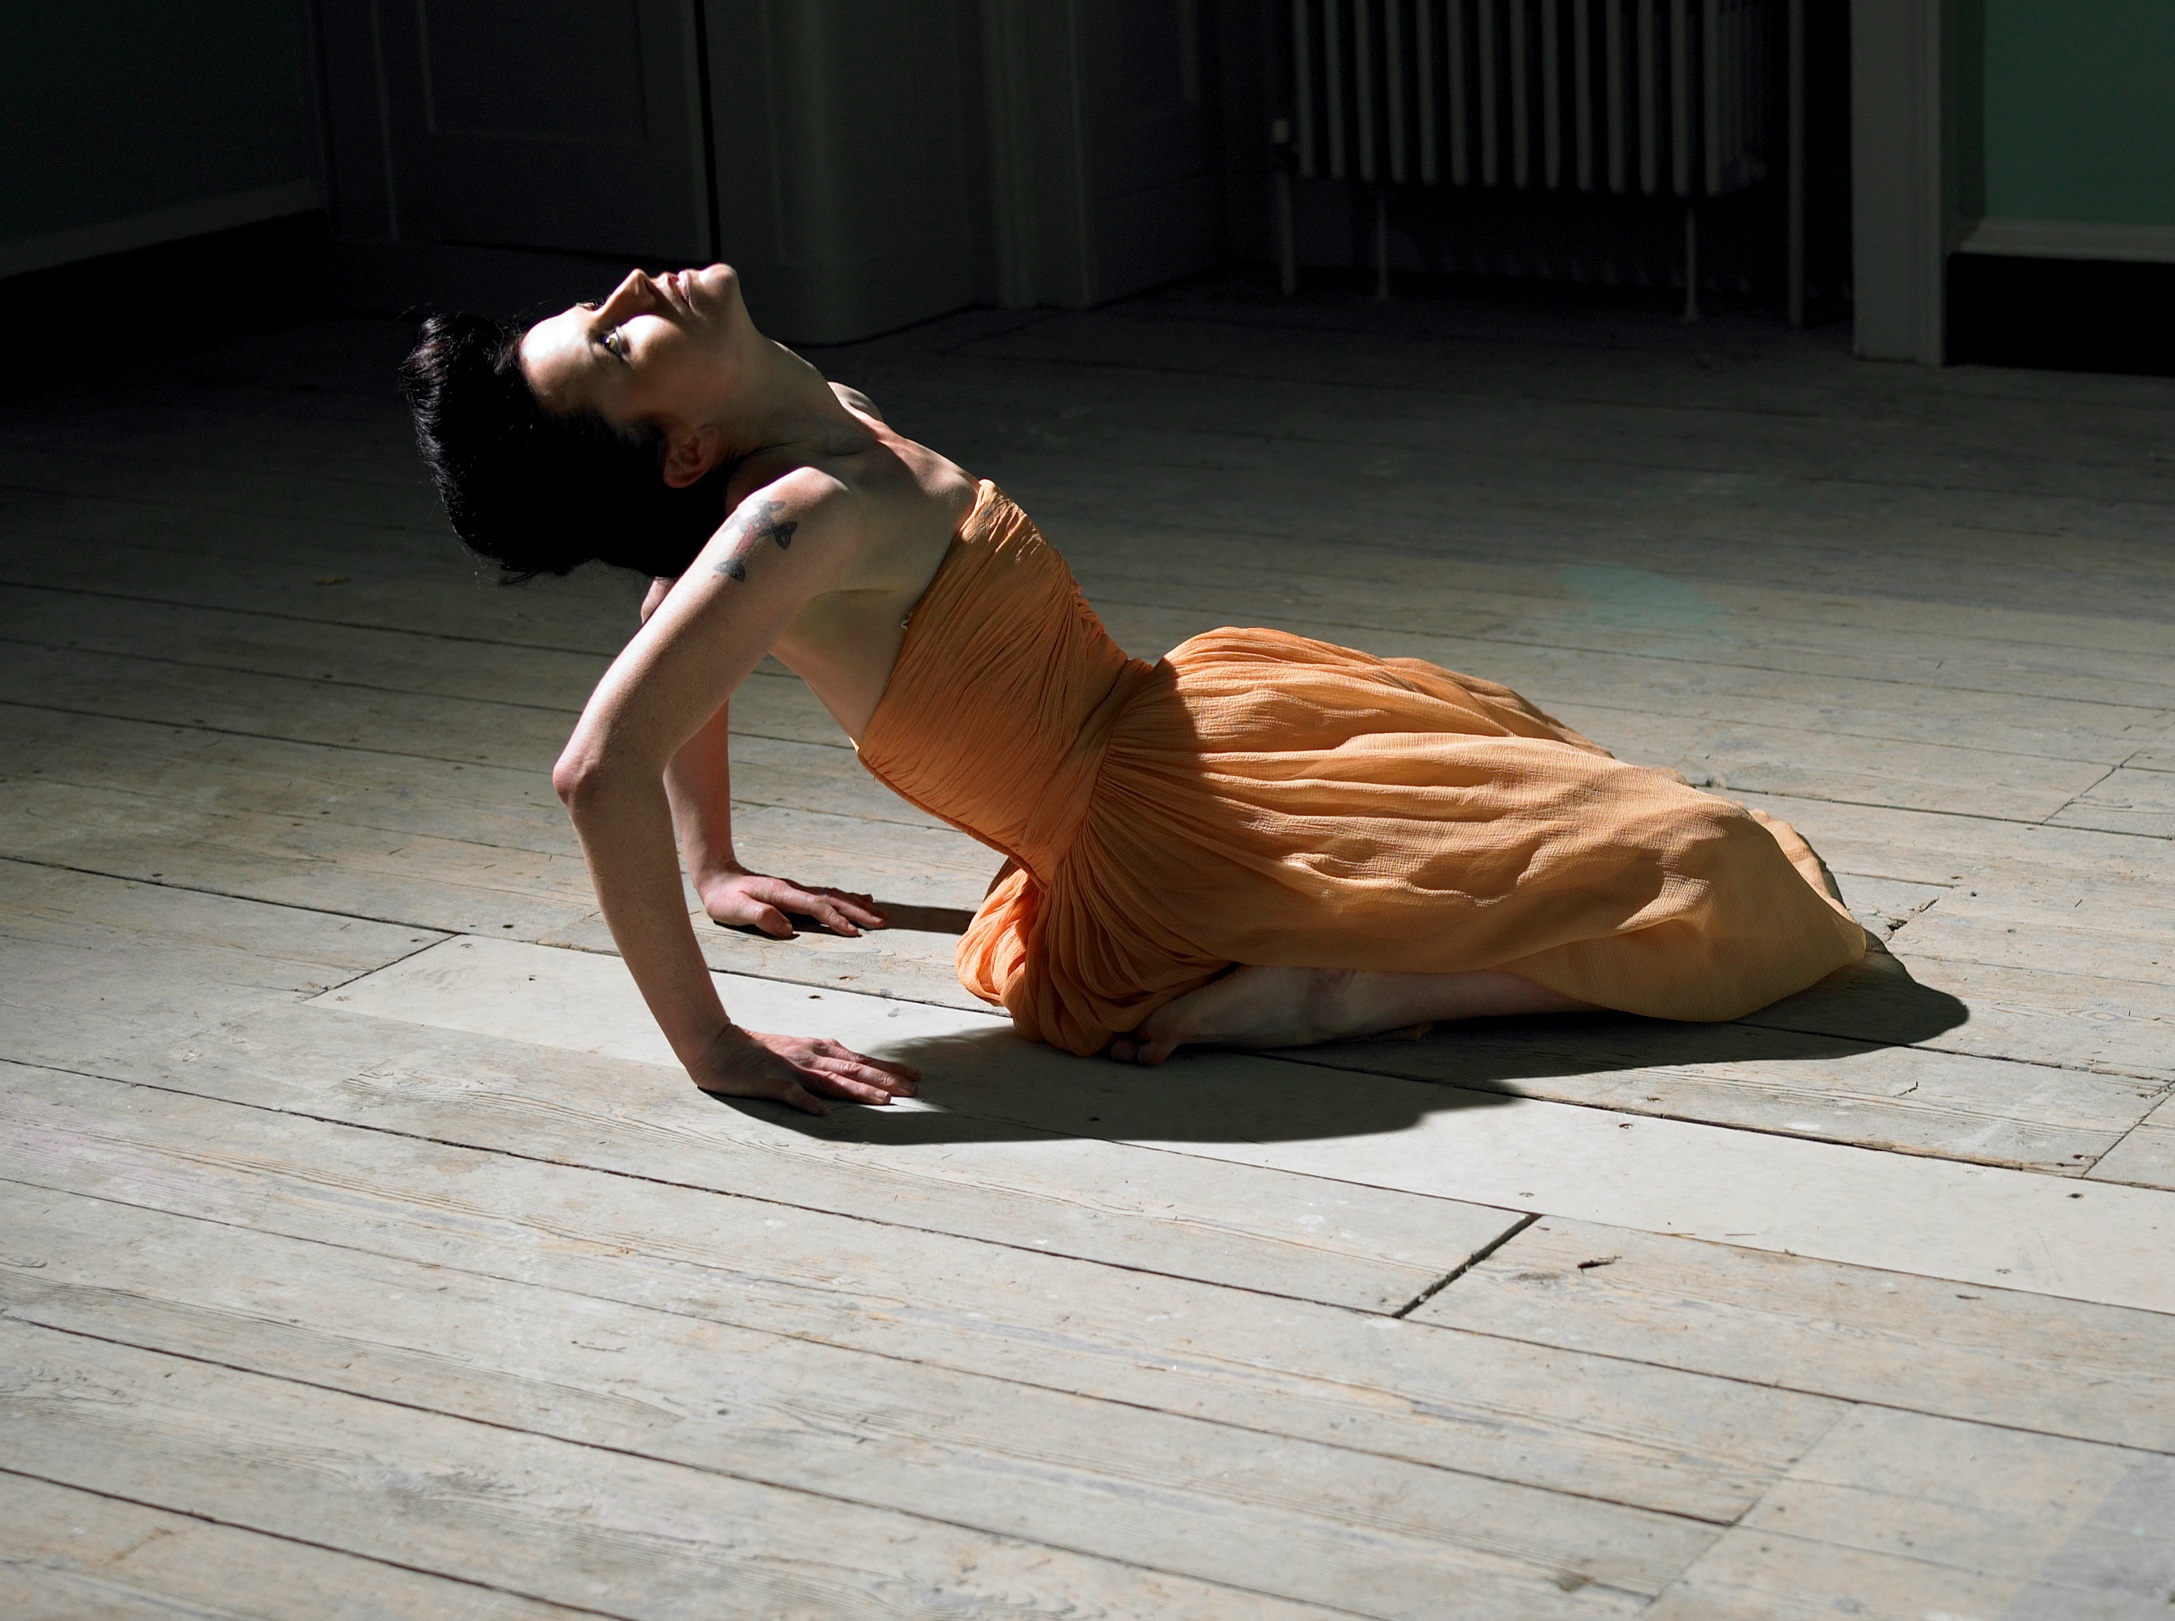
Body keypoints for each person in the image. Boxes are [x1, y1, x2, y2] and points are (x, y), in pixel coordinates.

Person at [402, 264, 1864, 1114]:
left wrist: (717, 862)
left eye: (591, 305)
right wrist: (712, 1047)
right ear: (678, 447)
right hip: (1152, 839)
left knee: (1604, 810)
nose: (628, 291)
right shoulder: (804, 514)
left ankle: (1340, 965)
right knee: (1716, 874)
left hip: (1186, 727)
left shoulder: (818, 432)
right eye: (614, 345)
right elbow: (597, 765)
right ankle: (1335, 994)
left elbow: (667, 609)